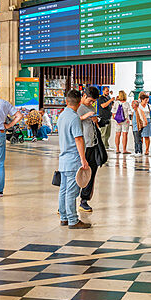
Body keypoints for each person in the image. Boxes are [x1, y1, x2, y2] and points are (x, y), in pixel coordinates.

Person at [55, 89, 91, 229]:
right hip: (73, 160)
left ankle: (64, 218)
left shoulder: (62, 115)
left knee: (63, 190)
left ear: (66, 101)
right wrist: (83, 159)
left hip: (63, 159)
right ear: (79, 101)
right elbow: (78, 139)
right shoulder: (74, 118)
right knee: (71, 192)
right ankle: (73, 220)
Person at [77, 86, 102, 213]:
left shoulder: (91, 108)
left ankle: (84, 200)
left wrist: (95, 120)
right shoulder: (78, 108)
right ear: (84, 95)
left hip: (92, 144)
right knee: (78, 173)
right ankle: (67, 200)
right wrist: (83, 117)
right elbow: (73, 122)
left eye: (93, 102)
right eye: (90, 100)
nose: (91, 103)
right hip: (82, 146)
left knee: (90, 173)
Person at [138, 91, 151, 157]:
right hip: (141, 121)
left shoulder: (148, 106)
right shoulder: (139, 106)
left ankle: (147, 150)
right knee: (140, 136)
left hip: (147, 121)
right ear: (142, 99)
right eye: (145, 100)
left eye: (147, 100)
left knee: (146, 136)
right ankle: (140, 149)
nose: (146, 101)